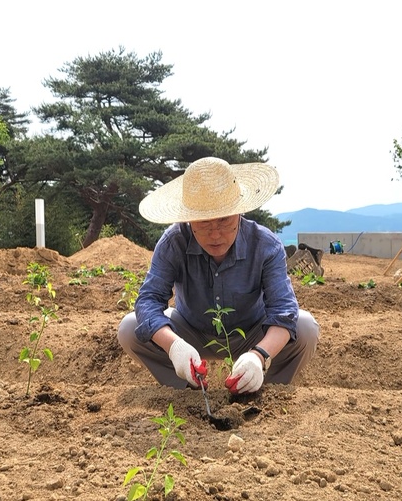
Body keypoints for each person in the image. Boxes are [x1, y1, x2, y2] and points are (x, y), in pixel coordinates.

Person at [117, 156, 320, 394]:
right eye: (203, 223)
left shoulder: (265, 245)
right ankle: (186, 390)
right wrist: (174, 346)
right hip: (191, 330)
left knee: (305, 326)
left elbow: (283, 311)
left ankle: (264, 390)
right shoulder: (174, 241)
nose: (215, 235)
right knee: (130, 328)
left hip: (251, 332)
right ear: (189, 218)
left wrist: (259, 355)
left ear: (239, 211)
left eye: (224, 220)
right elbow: (149, 300)